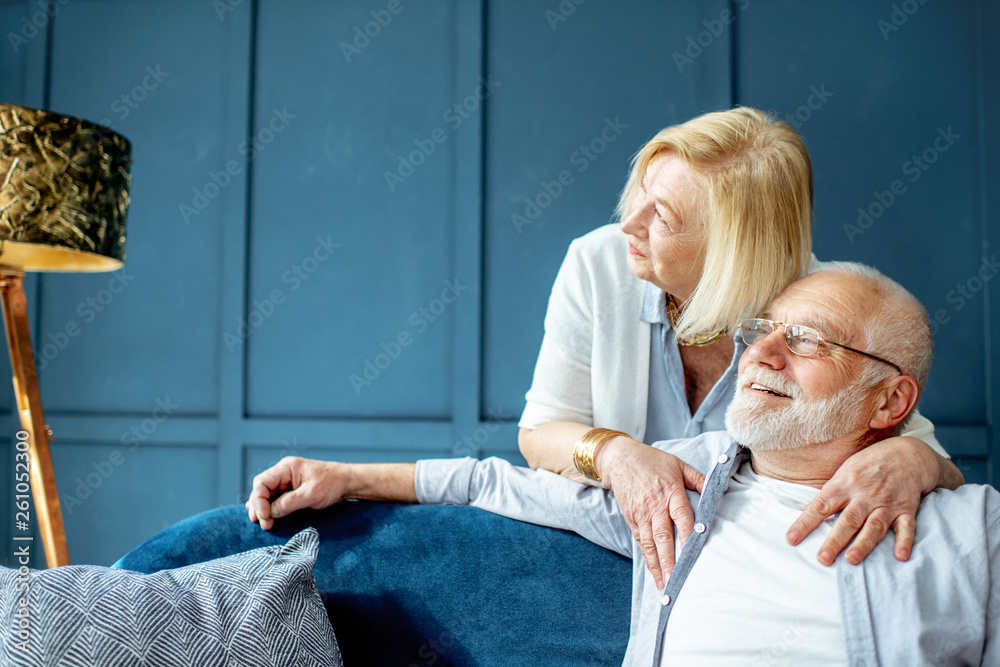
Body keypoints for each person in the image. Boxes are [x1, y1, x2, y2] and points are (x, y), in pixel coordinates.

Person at [247, 265, 999, 666]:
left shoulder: (976, 534)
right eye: (763, 331)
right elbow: (500, 482)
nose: (761, 354)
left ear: (889, 399)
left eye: (808, 341)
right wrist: (348, 476)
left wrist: (924, 464)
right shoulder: (682, 482)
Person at [516, 106, 962, 586]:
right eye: (639, 195)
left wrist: (914, 460)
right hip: (614, 551)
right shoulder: (598, 264)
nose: (629, 224)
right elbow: (540, 432)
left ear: (734, 248)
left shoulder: (823, 303)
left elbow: (935, 462)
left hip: (756, 570)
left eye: (661, 216)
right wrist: (617, 455)